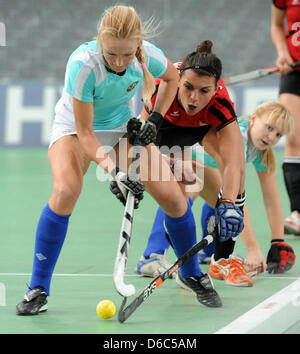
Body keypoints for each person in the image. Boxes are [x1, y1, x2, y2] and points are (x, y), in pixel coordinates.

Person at [16, 5, 222, 316]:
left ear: (138, 45)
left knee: (175, 200)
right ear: (101, 42)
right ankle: (38, 287)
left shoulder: (147, 54)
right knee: (66, 192)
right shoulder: (83, 65)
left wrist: (153, 119)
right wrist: (116, 172)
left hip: (123, 129)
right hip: (74, 129)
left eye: (127, 55)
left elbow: (170, 80)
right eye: (112, 54)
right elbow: (86, 135)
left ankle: (191, 272)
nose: (120, 62)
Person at [135, 41, 247, 286]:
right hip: (164, 127)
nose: (194, 98)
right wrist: (169, 163)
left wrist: (228, 204)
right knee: (176, 185)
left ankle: (223, 259)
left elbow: (233, 163)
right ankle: (152, 255)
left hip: (200, 128)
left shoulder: (221, 104)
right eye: (188, 87)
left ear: (216, 88)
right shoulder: (160, 90)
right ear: (179, 80)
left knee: (237, 172)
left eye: (204, 91)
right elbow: (138, 146)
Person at [195, 101, 296, 283]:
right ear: (254, 119)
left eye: (278, 134)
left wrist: (277, 241)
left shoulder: (261, 151)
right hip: (177, 154)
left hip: (203, 164)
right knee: (198, 198)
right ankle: (153, 254)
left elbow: (272, 199)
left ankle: (209, 252)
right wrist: (253, 248)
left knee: (221, 193)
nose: (271, 137)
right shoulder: (238, 139)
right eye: (269, 127)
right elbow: (237, 198)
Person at [271, 0, 300, 235]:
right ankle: (298, 213)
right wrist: (283, 55)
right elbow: (276, 25)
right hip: (294, 72)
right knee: (293, 137)